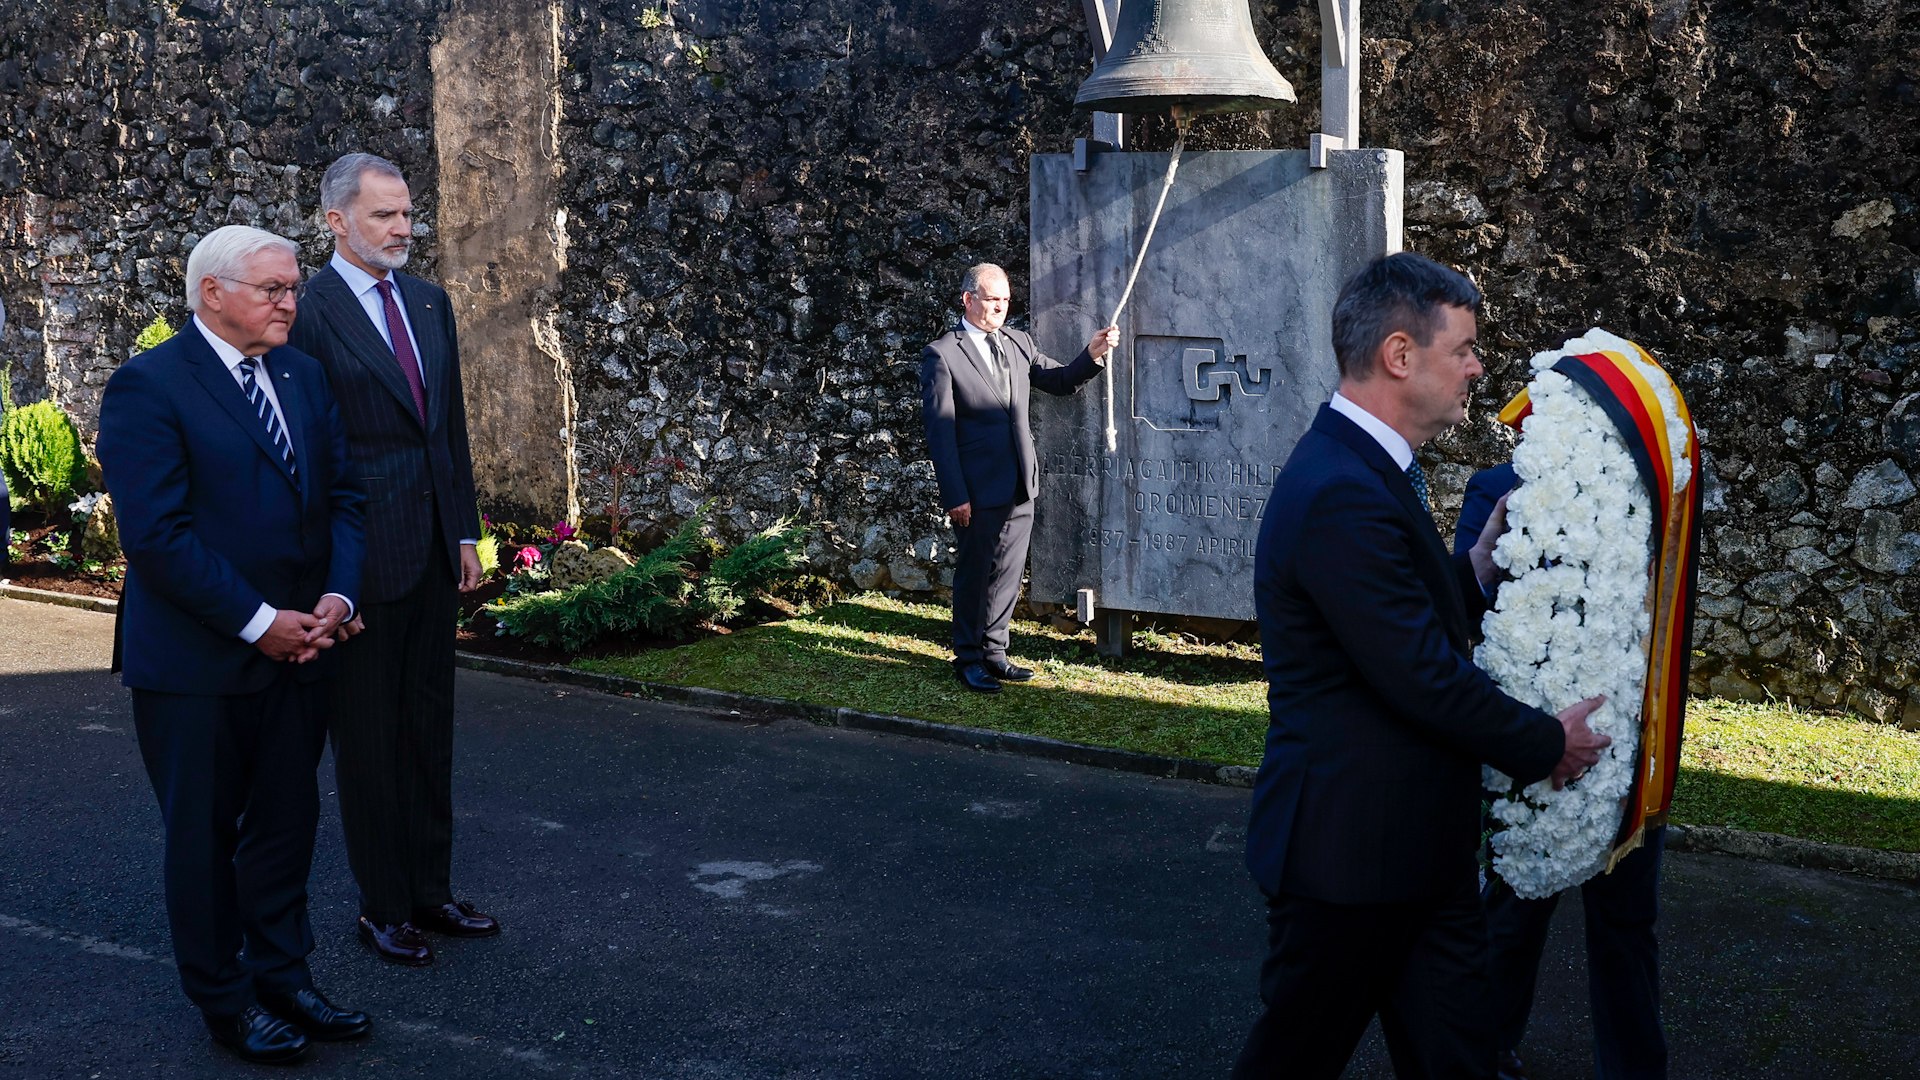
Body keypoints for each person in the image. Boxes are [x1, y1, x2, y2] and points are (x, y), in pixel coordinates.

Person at [1234, 252, 1612, 1079]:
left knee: (1460, 1061)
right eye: (1464, 348)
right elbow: (1420, 676)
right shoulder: (1340, 488)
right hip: (1348, 860)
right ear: (1400, 355)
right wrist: (1547, 743)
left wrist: (1473, 569)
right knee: (1294, 1062)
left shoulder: (1367, 466)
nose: (1477, 367)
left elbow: (1393, 612)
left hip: (1414, 855)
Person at [96, 225, 369, 1064]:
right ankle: (225, 1001)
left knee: (286, 827)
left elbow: (345, 497)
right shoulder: (148, 386)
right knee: (203, 838)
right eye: (272, 289)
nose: (291, 303)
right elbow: (157, 536)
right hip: (196, 664)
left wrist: (337, 598)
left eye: (292, 288)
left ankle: (284, 978)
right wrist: (261, 623)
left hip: (305, 649)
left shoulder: (302, 374)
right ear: (211, 293)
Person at [284, 152, 492, 967]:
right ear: (336, 221)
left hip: (434, 553)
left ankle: (432, 892)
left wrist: (464, 532)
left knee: (429, 734)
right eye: (384, 215)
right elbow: (305, 455)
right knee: (370, 744)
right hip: (360, 567)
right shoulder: (308, 312)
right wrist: (330, 581)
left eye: (407, 213)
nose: (404, 228)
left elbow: (449, 428)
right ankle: (383, 908)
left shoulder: (430, 301)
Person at [1455, 462, 1668, 1080]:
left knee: (1627, 925)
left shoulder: (1650, 484)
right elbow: (1466, 606)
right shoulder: (1499, 485)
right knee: (1514, 911)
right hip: (1531, 749)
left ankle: (1633, 1070)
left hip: (1624, 752)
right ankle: (1487, 1052)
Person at [919, 262, 1117, 693]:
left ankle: (995, 653)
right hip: (976, 489)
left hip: (1019, 484)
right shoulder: (943, 354)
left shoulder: (1018, 343)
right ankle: (967, 658)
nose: (1000, 308)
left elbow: (1059, 381)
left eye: (1006, 301)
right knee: (976, 575)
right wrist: (955, 494)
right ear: (968, 299)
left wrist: (1092, 354)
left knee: (1008, 574)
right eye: (993, 300)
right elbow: (940, 432)